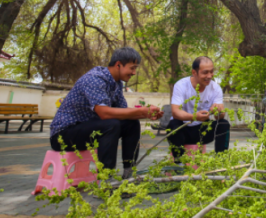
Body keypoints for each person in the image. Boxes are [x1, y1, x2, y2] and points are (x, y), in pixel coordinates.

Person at [49, 47, 163, 179]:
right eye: (132, 68)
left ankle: (128, 173)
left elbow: (123, 113)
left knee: (131, 123)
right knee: (111, 125)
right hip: (63, 135)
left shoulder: (117, 83)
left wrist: (146, 113)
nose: (134, 72)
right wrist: (140, 111)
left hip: (88, 129)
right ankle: (105, 179)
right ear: (118, 65)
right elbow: (104, 113)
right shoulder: (94, 79)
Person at [168, 56, 230, 160]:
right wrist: (194, 117)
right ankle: (178, 162)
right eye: (205, 72)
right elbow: (175, 112)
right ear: (194, 72)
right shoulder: (181, 85)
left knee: (224, 124)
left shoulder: (216, 88)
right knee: (174, 125)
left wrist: (218, 111)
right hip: (183, 130)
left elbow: (221, 116)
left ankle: (221, 159)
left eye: (211, 72)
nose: (209, 76)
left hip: (203, 131)